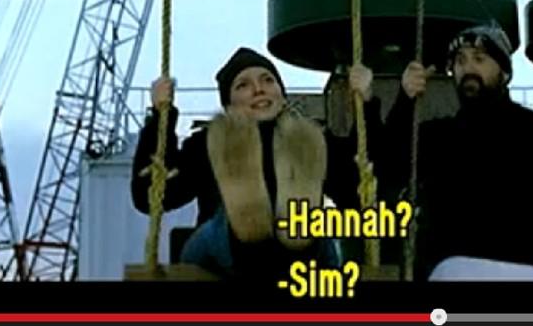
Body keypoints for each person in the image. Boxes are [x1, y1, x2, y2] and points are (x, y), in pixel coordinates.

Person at [383, 20, 533, 282]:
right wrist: (405, 100)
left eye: (479, 59)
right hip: (466, 270)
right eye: (460, 61)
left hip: (518, 271)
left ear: (504, 72)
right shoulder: (440, 136)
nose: (468, 69)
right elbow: (389, 166)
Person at [131, 47, 382, 279]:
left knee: (315, 222)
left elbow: (358, 186)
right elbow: (150, 195)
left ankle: (290, 224)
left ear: (282, 94)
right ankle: (248, 217)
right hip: (220, 257)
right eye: (243, 85)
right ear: (228, 105)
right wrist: (161, 117)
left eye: (268, 80)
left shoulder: (312, 142)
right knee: (232, 222)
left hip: (300, 255)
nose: (259, 89)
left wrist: (366, 102)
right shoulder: (207, 145)